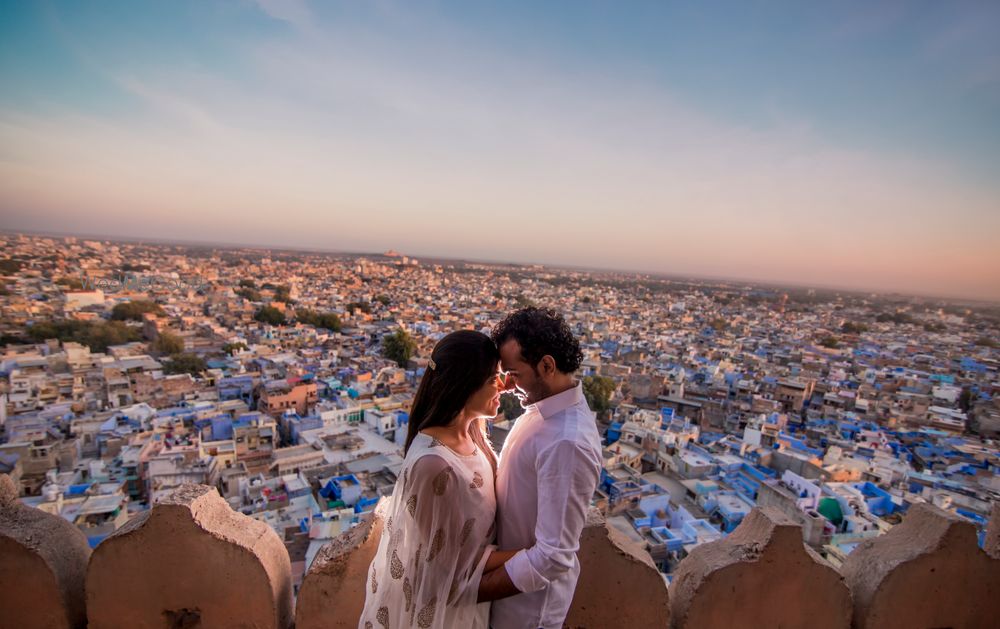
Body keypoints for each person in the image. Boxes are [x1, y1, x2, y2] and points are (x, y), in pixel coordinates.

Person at [359, 330, 509, 629]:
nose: (503, 386)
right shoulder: (434, 465)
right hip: (445, 615)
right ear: (464, 385)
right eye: (495, 378)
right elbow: (450, 569)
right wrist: (538, 556)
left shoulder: (472, 433)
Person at [478, 307, 603, 629]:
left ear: (547, 365)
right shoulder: (542, 412)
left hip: (528, 612)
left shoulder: (567, 441)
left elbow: (552, 556)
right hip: (508, 596)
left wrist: (469, 591)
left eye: (514, 373)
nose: (509, 383)